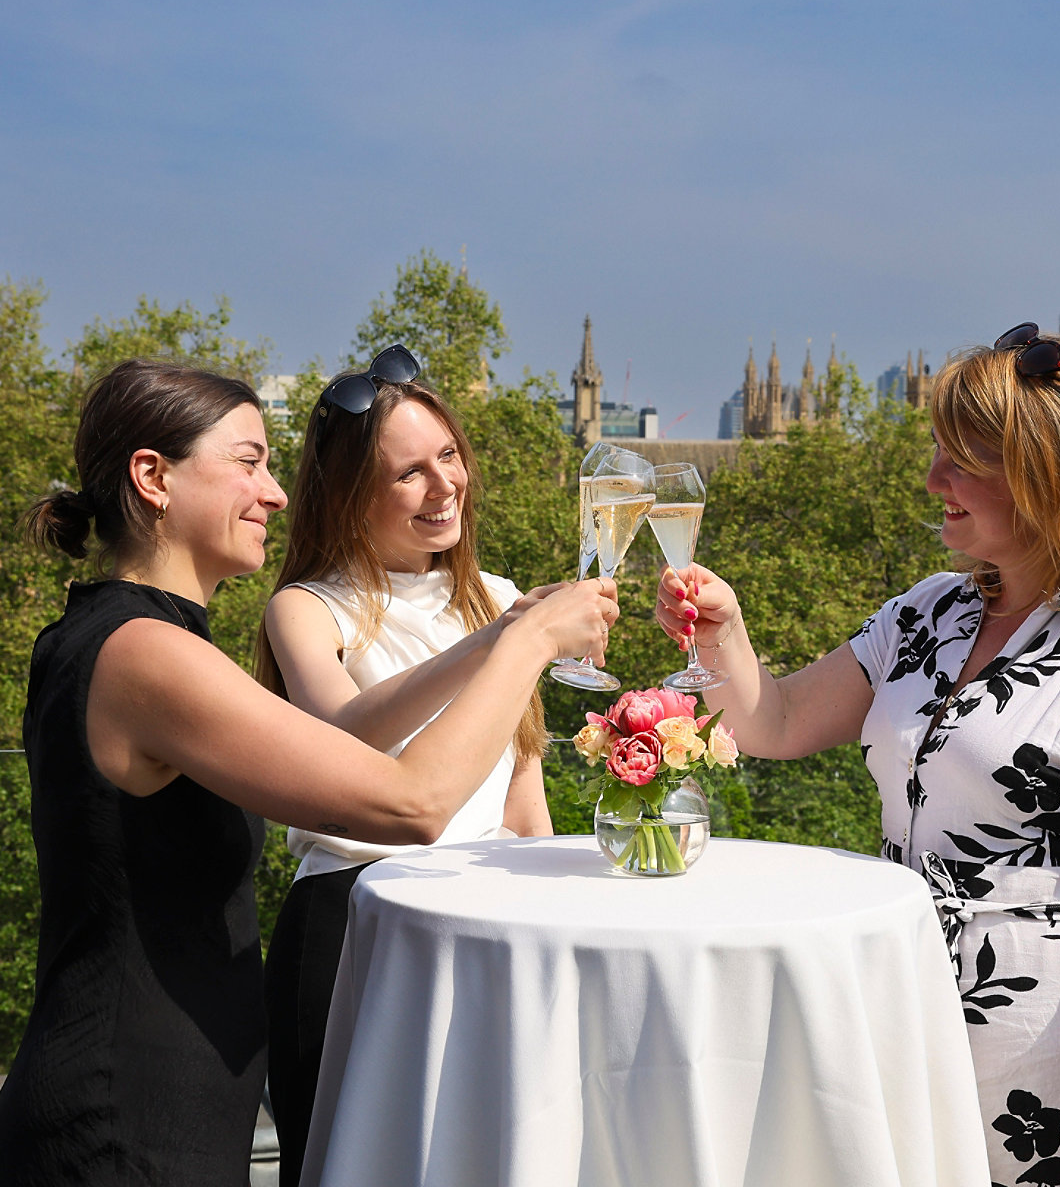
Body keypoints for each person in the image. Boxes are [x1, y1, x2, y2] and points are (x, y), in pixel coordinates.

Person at [0, 357, 617, 1187]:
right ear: (153, 476)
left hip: (163, 1106)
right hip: (123, 1120)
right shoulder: (144, 652)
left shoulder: (128, 639)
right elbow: (412, 803)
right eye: (249, 462)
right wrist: (529, 641)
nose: (278, 492)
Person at [657, 325, 1060, 1187]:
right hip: (912, 1033)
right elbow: (775, 722)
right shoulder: (932, 613)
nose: (933, 482)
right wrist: (722, 637)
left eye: (961, 462)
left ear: (1046, 478)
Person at [255, 346, 556, 1185]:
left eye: (449, 457)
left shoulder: (497, 596)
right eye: (409, 474)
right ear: (352, 497)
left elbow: (524, 798)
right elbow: (341, 734)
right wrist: (503, 644)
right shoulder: (309, 608)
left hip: (487, 923)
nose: (444, 485)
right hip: (355, 924)